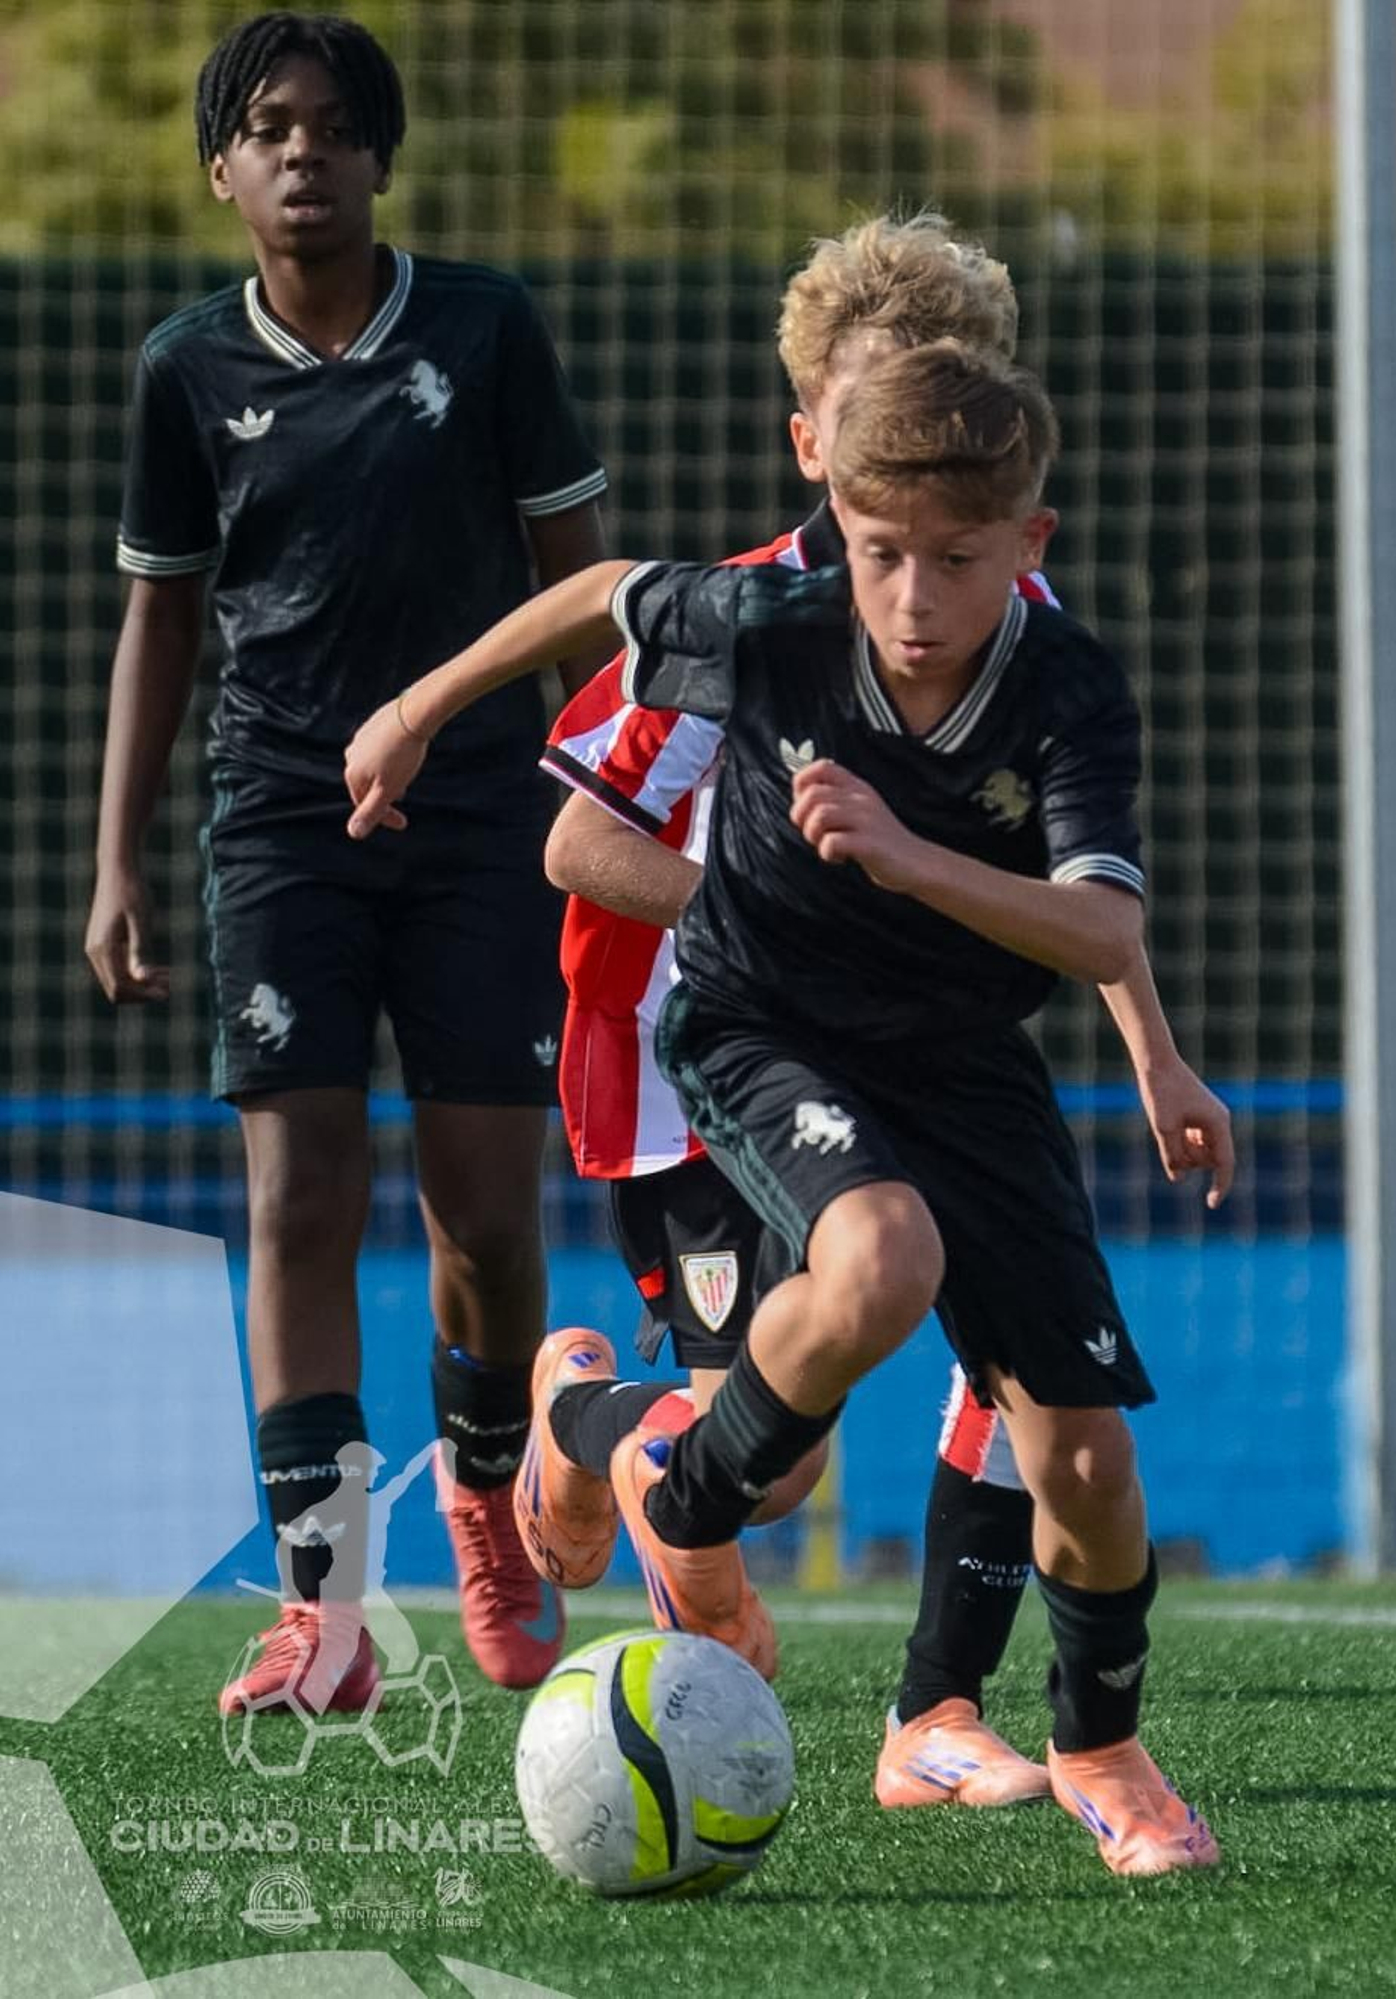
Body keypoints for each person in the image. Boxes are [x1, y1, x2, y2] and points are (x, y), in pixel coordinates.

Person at [343, 340, 1223, 1876]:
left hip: (961, 1058)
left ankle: (1101, 1745)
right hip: (761, 1024)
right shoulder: (775, 616)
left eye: (955, 562)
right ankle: (691, 1507)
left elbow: (1103, 929)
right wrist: (419, 705)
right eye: (880, 555)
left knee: (1082, 1457)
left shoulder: (1068, 688)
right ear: (841, 523)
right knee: (883, 1261)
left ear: (1031, 546)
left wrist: (904, 858)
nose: (910, 599)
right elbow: (602, 588)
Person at [83, 11, 608, 1714]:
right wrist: (120, 862)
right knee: (295, 1197)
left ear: (382, 157)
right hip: (281, 822)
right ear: (222, 169)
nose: (301, 153)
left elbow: (579, 586)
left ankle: (487, 1504)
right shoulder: (185, 367)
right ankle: (324, 1607)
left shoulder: (485, 327)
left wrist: (617, 807)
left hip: (479, 826)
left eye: (331, 127)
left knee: (484, 1223)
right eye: (267, 128)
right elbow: (161, 621)